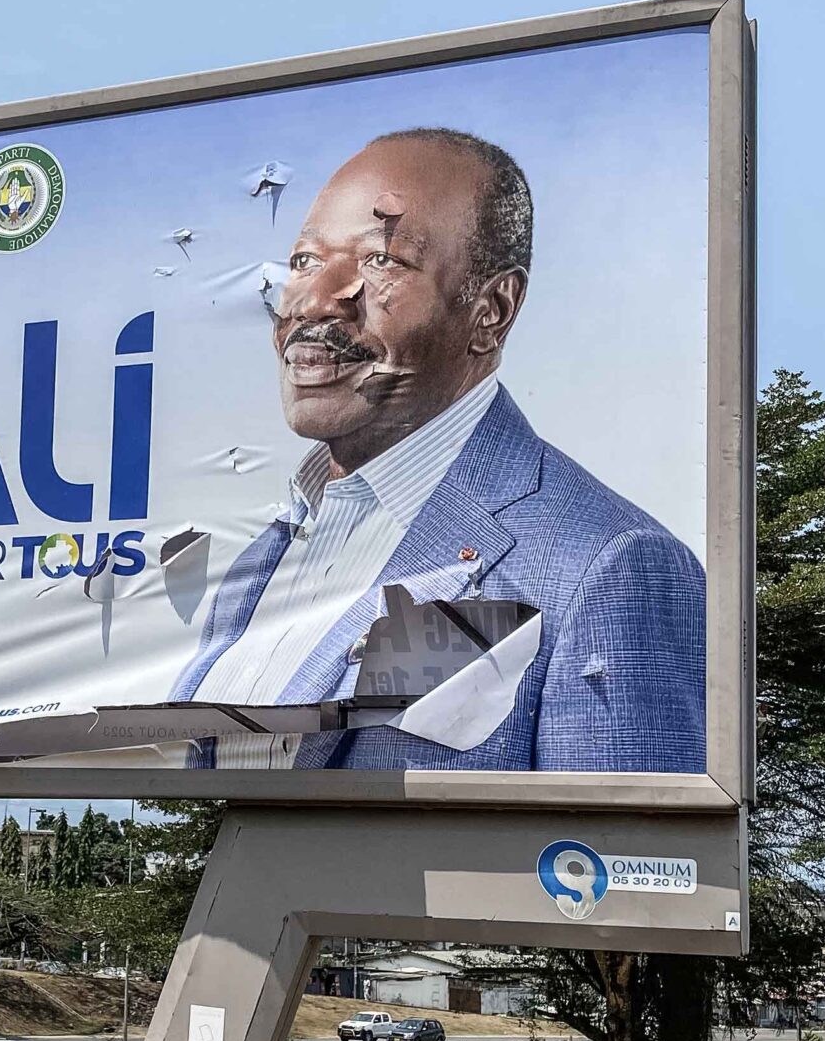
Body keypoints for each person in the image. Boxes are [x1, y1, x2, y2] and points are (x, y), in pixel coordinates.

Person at [171, 128, 706, 772]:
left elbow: (617, 835)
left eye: (381, 261)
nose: (312, 302)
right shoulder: (261, 560)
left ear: (491, 310)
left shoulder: (607, 565)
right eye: (305, 261)